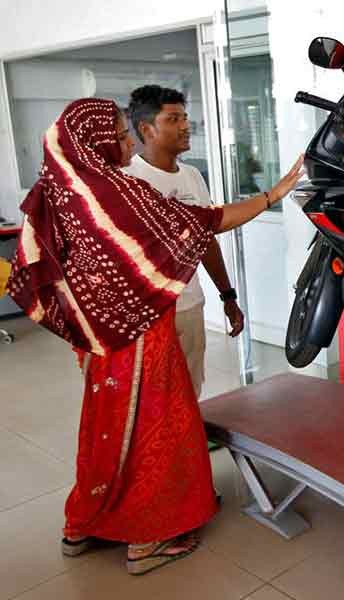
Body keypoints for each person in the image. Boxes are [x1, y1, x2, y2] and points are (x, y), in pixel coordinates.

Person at [6, 98, 304, 575]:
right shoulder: (117, 192)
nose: (126, 141)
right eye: (122, 134)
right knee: (158, 429)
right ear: (102, 142)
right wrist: (275, 194)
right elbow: (205, 223)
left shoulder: (63, 192)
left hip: (101, 337)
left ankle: (83, 524)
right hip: (142, 333)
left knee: (105, 427)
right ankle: (149, 538)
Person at [123, 85, 240, 398]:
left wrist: (227, 296)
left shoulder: (191, 176)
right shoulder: (126, 179)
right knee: (152, 395)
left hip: (189, 305)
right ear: (147, 129)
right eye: (173, 119)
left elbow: (207, 241)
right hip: (149, 313)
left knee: (190, 389)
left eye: (185, 117)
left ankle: (187, 446)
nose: (186, 126)